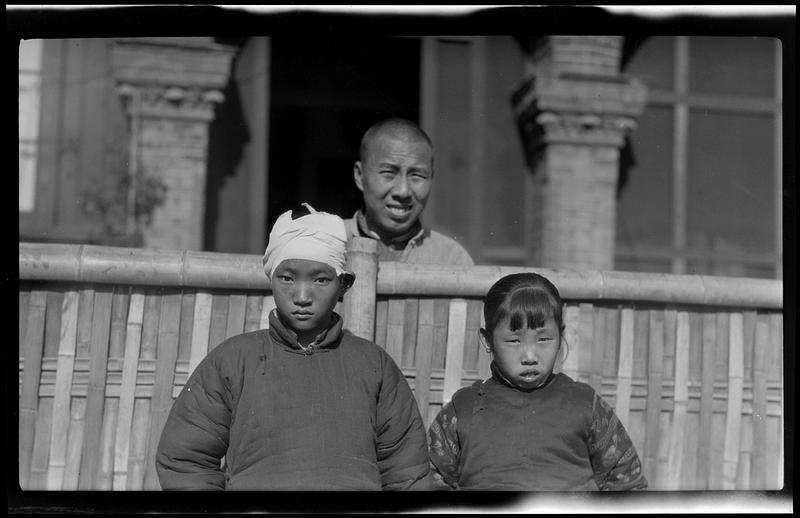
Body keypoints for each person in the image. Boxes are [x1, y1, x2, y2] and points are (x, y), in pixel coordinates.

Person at [156, 203, 431, 490]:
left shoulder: (374, 365)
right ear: (271, 278)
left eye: (321, 279)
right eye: (287, 278)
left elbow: (407, 471)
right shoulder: (233, 361)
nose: (302, 296)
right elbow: (184, 461)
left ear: (343, 285)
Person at [427, 273, 647, 491]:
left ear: (560, 337)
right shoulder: (463, 409)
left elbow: (627, 484)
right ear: (487, 340)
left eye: (543, 339)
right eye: (514, 341)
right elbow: (429, 479)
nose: (530, 356)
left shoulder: (585, 405)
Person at [348, 117, 474, 265]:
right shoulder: (324, 244)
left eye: (417, 175)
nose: (403, 191)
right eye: (389, 173)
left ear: (431, 178)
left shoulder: (451, 258)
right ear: (359, 175)